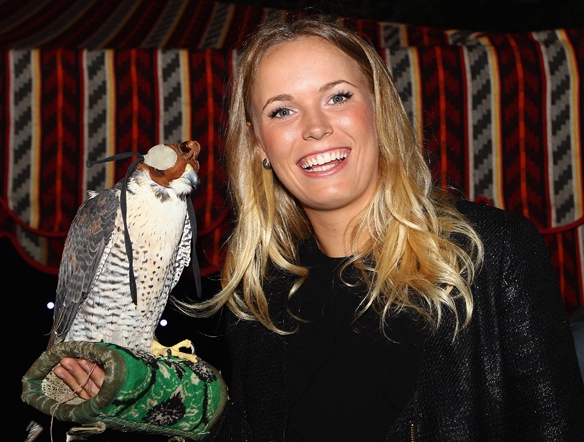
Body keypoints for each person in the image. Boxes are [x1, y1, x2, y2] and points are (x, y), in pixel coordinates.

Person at [40, 13, 584, 441]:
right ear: (259, 145)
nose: (316, 127)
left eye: (338, 96)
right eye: (282, 111)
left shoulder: (493, 250)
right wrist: (139, 397)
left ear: (379, 111)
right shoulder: (256, 295)